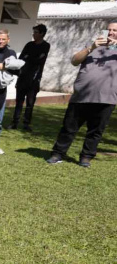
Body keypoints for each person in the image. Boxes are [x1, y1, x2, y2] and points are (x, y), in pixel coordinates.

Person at [46, 20, 117, 168]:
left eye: (115, 31)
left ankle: (86, 157)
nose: (111, 33)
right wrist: (91, 47)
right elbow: (74, 61)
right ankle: (58, 153)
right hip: (81, 95)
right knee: (69, 128)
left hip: (106, 98)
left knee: (95, 131)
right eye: (109, 30)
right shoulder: (93, 45)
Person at [8, 24, 49, 132]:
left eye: (36, 32)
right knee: (19, 101)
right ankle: (15, 122)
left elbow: (40, 60)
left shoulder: (45, 46)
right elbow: (21, 58)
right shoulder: (29, 45)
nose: (33, 34)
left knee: (30, 103)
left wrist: (29, 58)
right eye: (33, 32)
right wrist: (32, 58)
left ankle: (26, 124)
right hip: (23, 76)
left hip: (34, 78)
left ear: (42, 34)